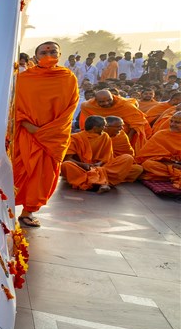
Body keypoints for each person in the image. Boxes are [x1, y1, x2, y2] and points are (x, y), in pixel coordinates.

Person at [10, 41, 79, 227]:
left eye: (53, 51)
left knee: (42, 177)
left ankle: (28, 212)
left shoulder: (68, 78)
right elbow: (14, 105)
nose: (48, 53)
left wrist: (47, 132)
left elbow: (69, 110)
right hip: (26, 132)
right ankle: (5, 208)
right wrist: (29, 126)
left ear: (60, 54)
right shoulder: (24, 78)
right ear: (36, 56)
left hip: (52, 137)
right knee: (17, 171)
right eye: (44, 51)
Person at [78, 89, 150, 151]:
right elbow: (90, 123)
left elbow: (137, 123)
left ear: (113, 97)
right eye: (102, 102)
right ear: (95, 100)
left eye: (109, 100)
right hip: (99, 136)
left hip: (121, 134)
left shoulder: (125, 105)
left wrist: (128, 138)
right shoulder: (87, 106)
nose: (106, 103)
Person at [136, 111, 181, 192]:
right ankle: (173, 175)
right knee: (148, 164)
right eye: (171, 121)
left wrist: (177, 164)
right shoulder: (161, 134)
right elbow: (145, 156)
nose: (172, 124)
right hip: (164, 165)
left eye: (177, 122)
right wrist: (169, 162)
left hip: (178, 167)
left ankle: (167, 176)